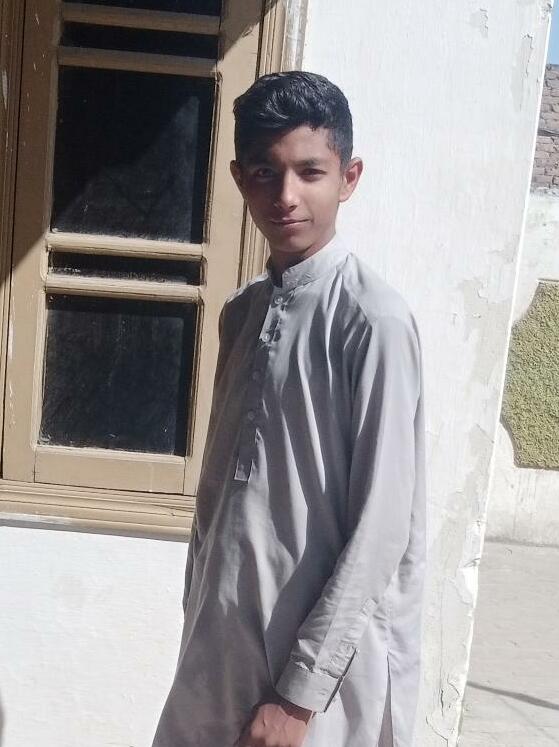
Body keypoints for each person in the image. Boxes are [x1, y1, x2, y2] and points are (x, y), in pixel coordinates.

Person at [152, 71, 426, 747]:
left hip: (314, 682)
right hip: (219, 650)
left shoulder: (373, 321)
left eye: (310, 171)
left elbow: (383, 525)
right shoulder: (242, 313)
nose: (286, 196)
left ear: (348, 177)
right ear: (239, 179)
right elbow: (223, 501)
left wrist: (299, 695)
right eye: (265, 173)